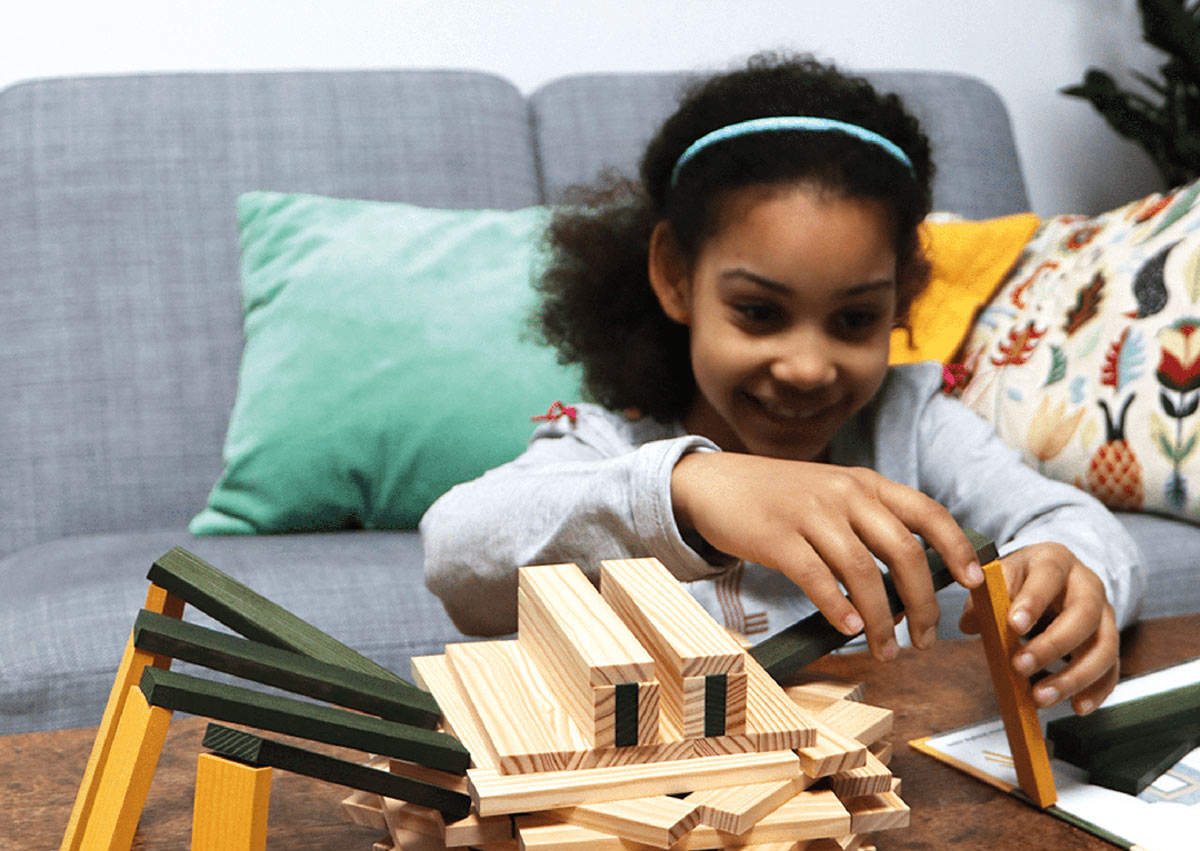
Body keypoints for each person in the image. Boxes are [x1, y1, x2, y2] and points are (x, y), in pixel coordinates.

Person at [421, 53, 1144, 717]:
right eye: (760, 313)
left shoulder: (913, 424)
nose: (806, 366)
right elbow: (457, 552)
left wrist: (1076, 574)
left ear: (902, 298)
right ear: (677, 276)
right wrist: (692, 489)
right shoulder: (610, 444)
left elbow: (1069, 522)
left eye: (855, 318)